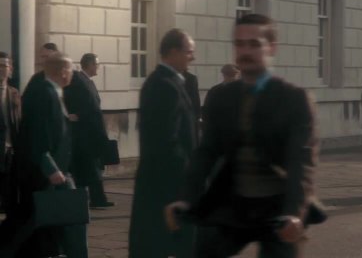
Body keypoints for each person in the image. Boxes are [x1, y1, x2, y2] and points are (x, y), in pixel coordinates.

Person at [166, 14, 319, 257]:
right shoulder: (223, 97)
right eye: (239, 44)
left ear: (272, 47)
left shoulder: (294, 99)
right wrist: (185, 198)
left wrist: (294, 213)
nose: (245, 51)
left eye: (254, 44)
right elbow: (206, 153)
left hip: (277, 207)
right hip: (234, 204)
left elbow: (301, 162)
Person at [1, 53, 88, 257]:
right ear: (64, 72)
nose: (73, 75)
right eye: (72, 71)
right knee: (36, 220)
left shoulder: (52, 92)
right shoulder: (44, 94)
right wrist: (51, 168)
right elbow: (37, 136)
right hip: (45, 174)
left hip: (52, 172)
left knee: (38, 221)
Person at [129, 29, 198, 258]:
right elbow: (167, 141)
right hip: (166, 186)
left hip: (164, 183)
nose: (193, 57)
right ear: (173, 51)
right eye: (189, 52)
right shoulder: (164, 86)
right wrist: (187, 178)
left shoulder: (168, 82)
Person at [63, 53, 113, 209]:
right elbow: (74, 102)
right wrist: (75, 115)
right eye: (97, 64)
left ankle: (98, 199)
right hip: (84, 133)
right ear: (89, 64)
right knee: (90, 169)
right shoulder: (78, 80)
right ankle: (96, 199)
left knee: (94, 168)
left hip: (92, 131)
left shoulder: (87, 81)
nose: (98, 67)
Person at [0, 52, 21, 214]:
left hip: (10, 149)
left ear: (10, 69)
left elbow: (20, 121)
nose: (1, 70)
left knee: (9, 190)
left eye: (4, 66)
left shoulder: (14, 93)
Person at [201, 63, 240, 137]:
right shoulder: (215, 90)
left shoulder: (214, 90)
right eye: (230, 74)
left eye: (233, 74)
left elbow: (206, 112)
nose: (232, 78)